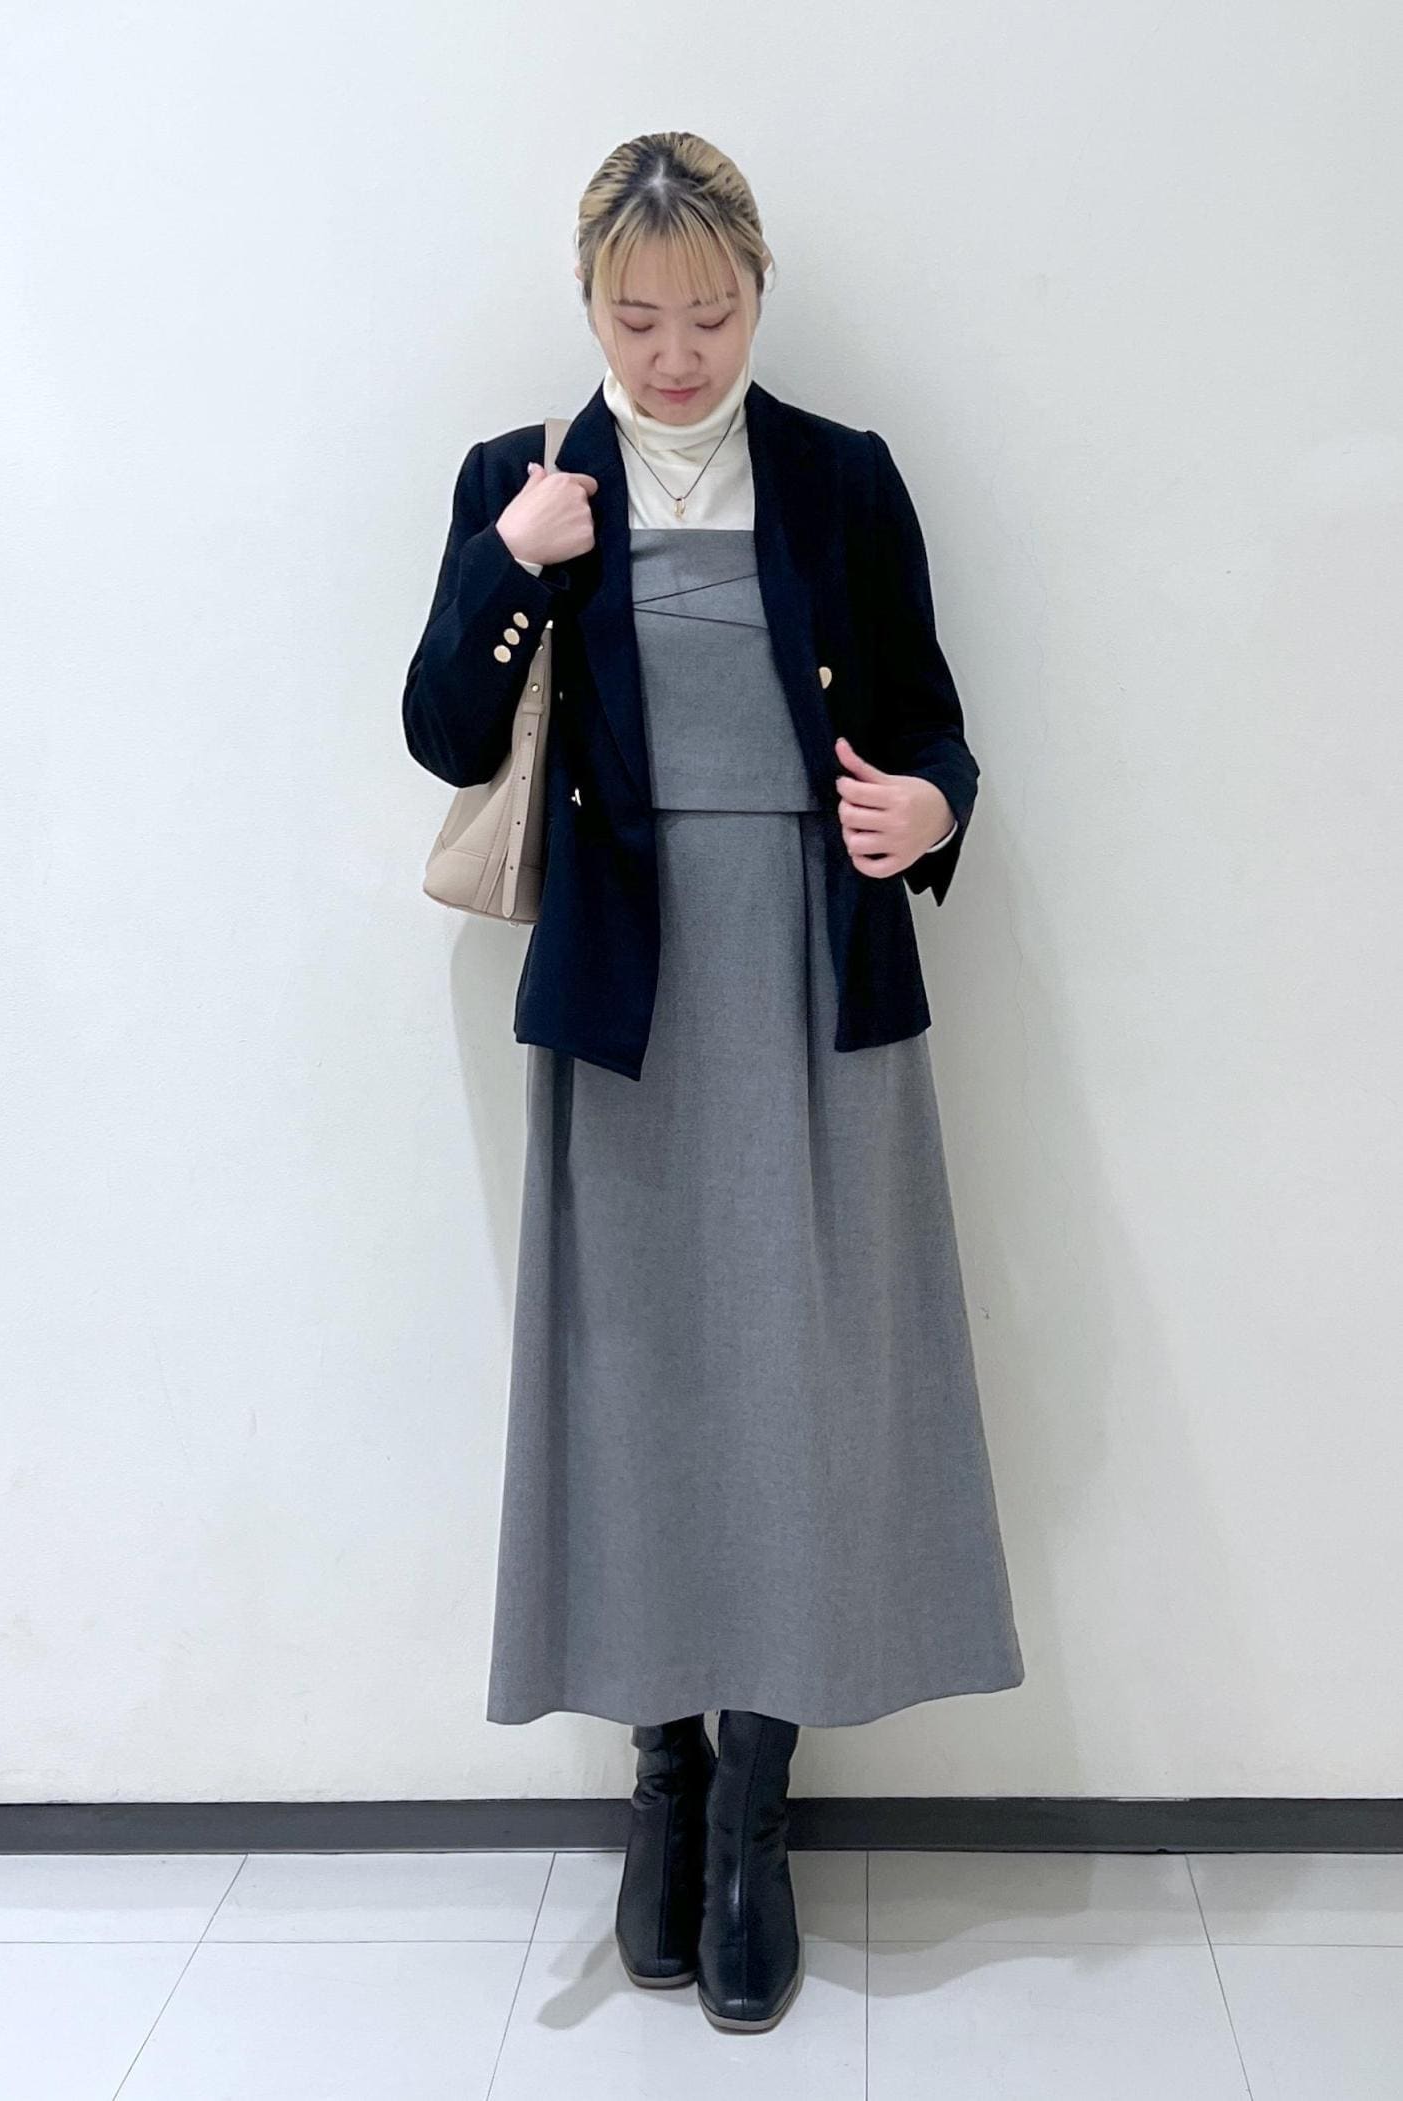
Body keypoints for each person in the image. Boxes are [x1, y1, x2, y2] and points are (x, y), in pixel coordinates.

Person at [402, 130, 1024, 2035]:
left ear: (759, 295)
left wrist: (930, 810)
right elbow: (442, 730)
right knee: (640, 1387)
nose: (676, 356)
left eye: (712, 314)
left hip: (812, 982)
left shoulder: (841, 475)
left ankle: (756, 1807)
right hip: (632, 994)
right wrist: (514, 563)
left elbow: (931, 726)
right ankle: (659, 1784)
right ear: (590, 306)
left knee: (799, 1381)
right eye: (638, 319)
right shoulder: (521, 479)